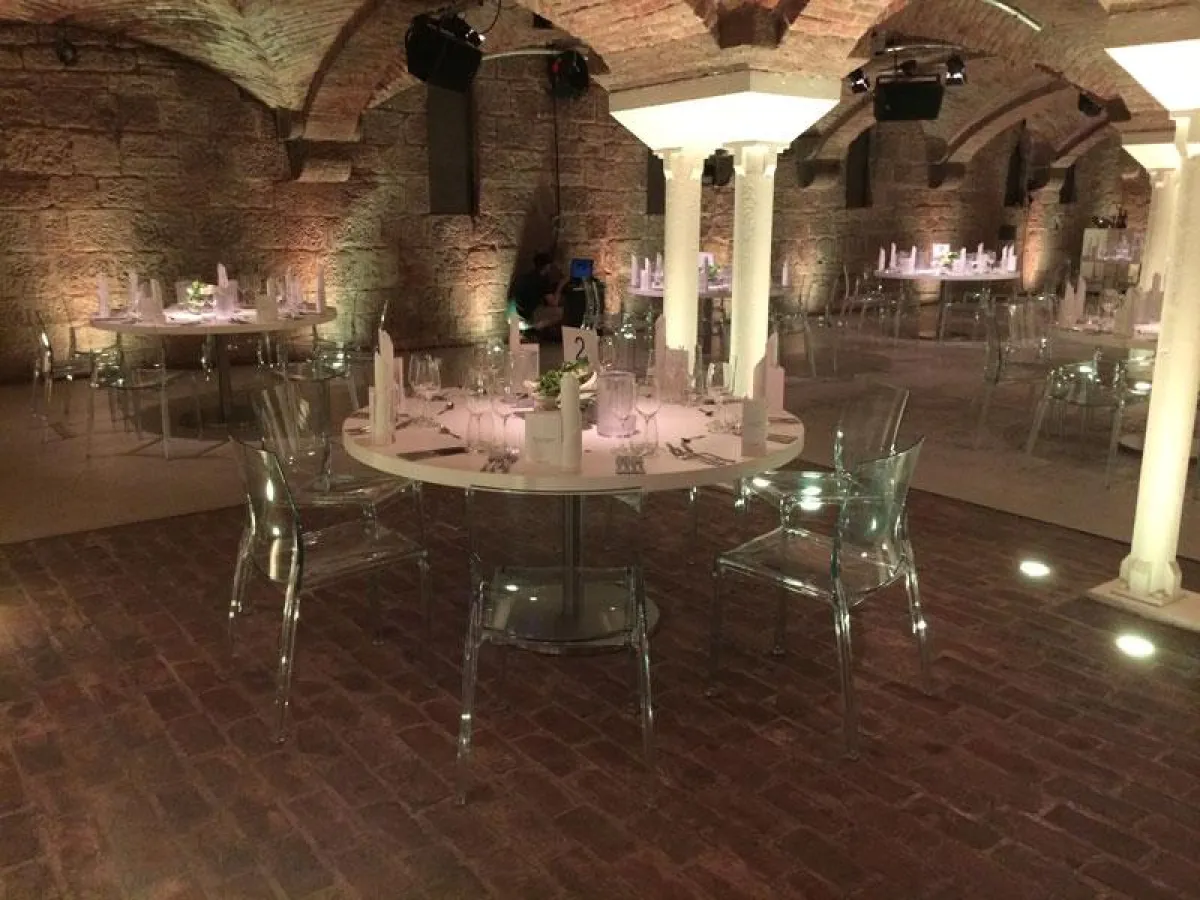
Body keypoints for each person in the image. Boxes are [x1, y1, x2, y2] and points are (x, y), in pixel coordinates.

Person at [510, 252, 566, 334]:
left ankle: (535, 330)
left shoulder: (528, 276)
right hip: (530, 315)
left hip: (518, 312)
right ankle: (534, 328)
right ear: (547, 266)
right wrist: (561, 286)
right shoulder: (543, 280)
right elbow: (553, 303)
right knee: (560, 312)